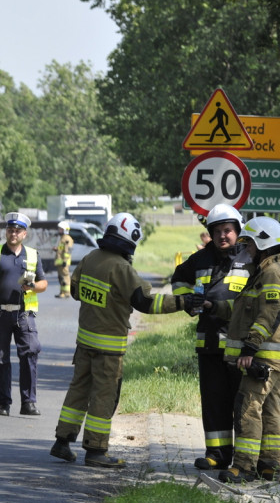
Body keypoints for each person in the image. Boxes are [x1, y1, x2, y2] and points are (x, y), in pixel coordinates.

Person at [50, 212, 184, 468]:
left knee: (78, 391)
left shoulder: (90, 258)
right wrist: (183, 302)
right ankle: (96, 451)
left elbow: (76, 291)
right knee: (103, 396)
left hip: (84, 344)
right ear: (131, 239)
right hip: (108, 350)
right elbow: (146, 302)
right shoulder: (122, 268)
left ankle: (62, 442)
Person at [171, 204, 250, 471]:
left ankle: (244, 458)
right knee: (215, 402)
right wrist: (187, 300)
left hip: (241, 348)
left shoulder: (251, 258)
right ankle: (216, 454)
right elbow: (178, 278)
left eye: (227, 230)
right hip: (209, 344)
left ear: (238, 231)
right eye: (216, 231)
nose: (222, 236)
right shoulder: (200, 259)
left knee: (243, 405)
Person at [201, 216, 280, 483]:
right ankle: (269, 465)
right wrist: (215, 307)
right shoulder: (262, 273)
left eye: (250, 245)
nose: (246, 250)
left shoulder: (270, 273)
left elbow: (270, 313)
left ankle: (244, 467)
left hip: (262, 356)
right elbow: (242, 311)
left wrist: (249, 347)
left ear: (264, 243)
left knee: (247, 407)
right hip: (270, 357)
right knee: (270, 411)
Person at [0, 212, 47, 416]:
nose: (13, 234)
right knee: (1, 359)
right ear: (6, 231)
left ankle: (28, 403)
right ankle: (3, 403)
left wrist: (32, 287)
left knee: (29, 355)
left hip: (24, 314)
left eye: (17, 231)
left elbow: (43, 283)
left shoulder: (32, 255)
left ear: (24, 234)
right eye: (10, 230)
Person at [54, 221, 74, 298]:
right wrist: (57, 249)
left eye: (61, 229)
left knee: (65, 277)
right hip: (60, 261)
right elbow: (62, 249)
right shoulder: (62, 238)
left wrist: (65, 261)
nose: (59, 231)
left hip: (63, 262)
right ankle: (62, 292)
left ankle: (67, 293)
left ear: (65, 229)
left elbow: (67, 251)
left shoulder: (67, 239)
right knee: (61, 277)